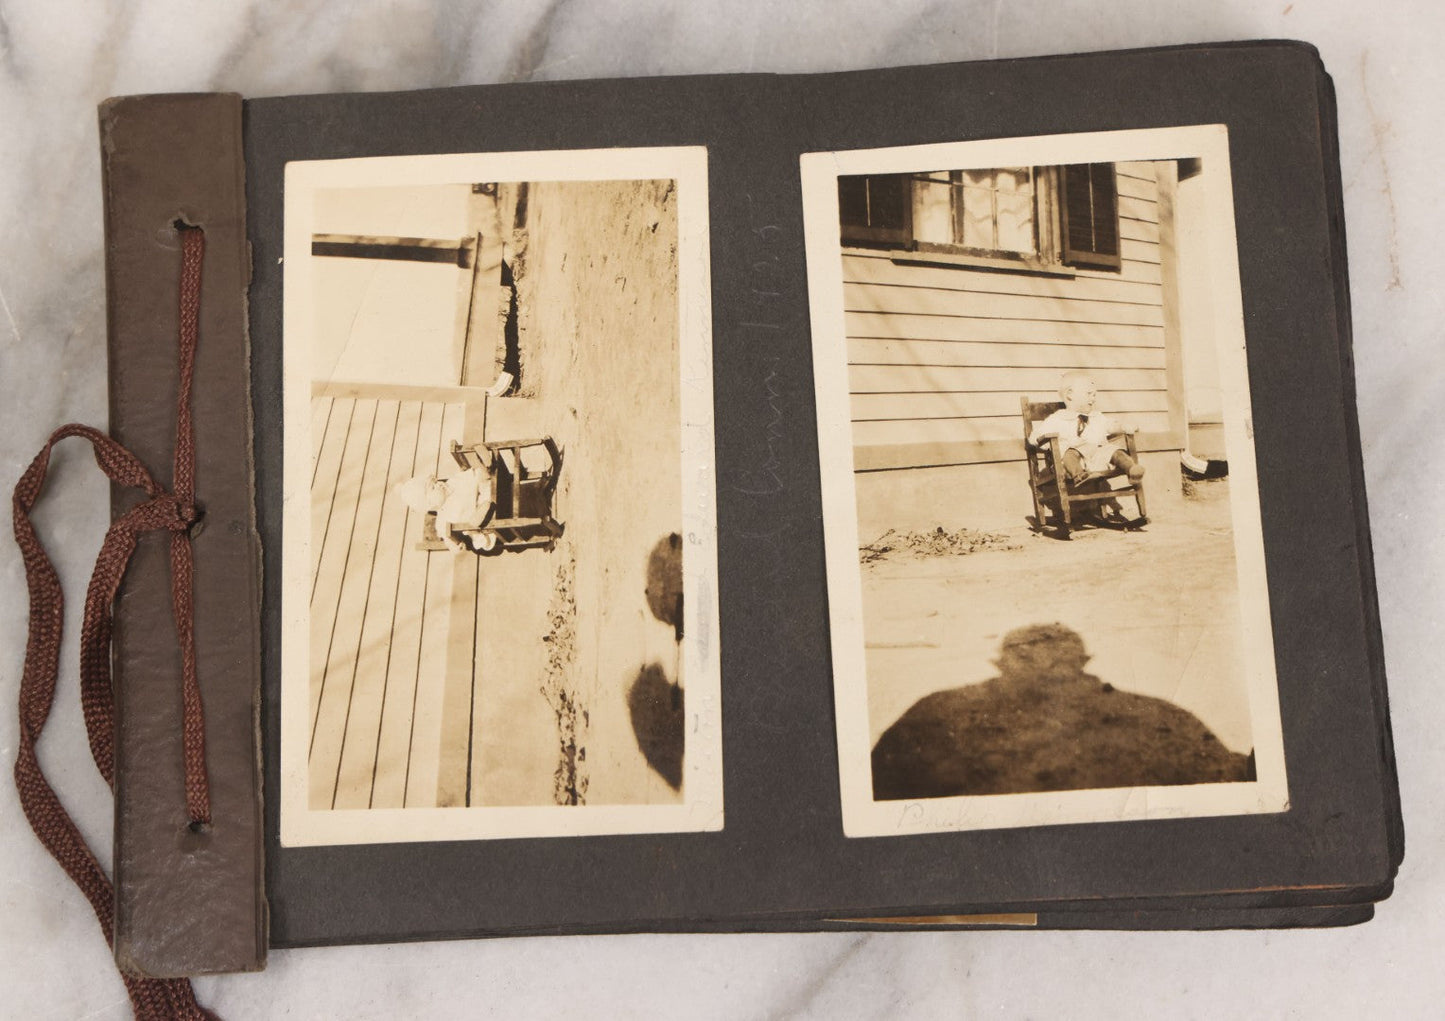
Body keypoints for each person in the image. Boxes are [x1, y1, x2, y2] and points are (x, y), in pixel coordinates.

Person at [870, 623, 1254, 800]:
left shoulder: (936, 715)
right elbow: (1236, 783)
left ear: (1002, 664)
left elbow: (878, 785)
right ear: (1082, 662)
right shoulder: (1164, 719)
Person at [1028, 370, 1144, 490]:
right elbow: (1038, 434)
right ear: (1070, 394)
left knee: (1116, 452)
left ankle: (1132, 469)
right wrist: (1036, 438)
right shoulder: (1058, 418)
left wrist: (1123, 427)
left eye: (1094, 395)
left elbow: (1110, 425)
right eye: (1089, 394)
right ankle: (1079, 476)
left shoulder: (1096, 416)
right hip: (1072, 463)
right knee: (1069, 453)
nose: (1093, 399)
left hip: (1097, 457)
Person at [394, 468, 495, 553]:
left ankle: (488, 496)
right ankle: (486, 504)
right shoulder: (443, 520)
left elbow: (470, 477)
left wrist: (478, 474)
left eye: (436, 482)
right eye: (433, 488)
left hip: (483, 492)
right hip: (482, 521)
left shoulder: (453, 482)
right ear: (430, 505)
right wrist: (454, 546)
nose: (439, 484)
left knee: (479, 474)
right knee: (473, 525)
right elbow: (447, 537)